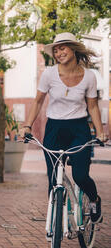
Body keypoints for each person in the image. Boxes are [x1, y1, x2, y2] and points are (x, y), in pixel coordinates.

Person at [19, 32, 108, 224]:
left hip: (79, 129)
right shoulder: (49, 74)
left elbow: (92, 106)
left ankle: (94, 200)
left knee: (81, 176)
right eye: (56, 50)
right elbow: (38, 101)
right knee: (53, 182)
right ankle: (56, 221)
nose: (59, 53)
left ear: (73, 49)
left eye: (63, 48)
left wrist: (100, 131)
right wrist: (27, 125)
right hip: (54, 129)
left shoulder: (89, 76)